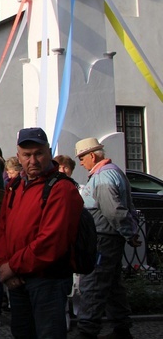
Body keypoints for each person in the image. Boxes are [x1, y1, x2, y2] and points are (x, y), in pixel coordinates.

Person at [0, 127, 83, 339]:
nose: (32, 160)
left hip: (47, 280)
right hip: (17, 279)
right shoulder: (15, 186)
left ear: (49, 152)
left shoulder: (62, 189)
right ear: (18, 157)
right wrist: (5, 264)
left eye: (38, 153)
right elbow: (2, 228)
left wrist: (12, 266)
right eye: (26, 155)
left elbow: (52, 241)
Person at [75, 137, 139, 339]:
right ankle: (121, 328)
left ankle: (87, 331)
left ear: (92, 156)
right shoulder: (111, 172)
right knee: (112, 284)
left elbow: (113, 211)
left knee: (93, 283)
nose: (80, 162)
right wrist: (130, 233)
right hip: (107, 238)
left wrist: (129, 233)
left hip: (103, 239)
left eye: (82, 157)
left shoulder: (103, 177)